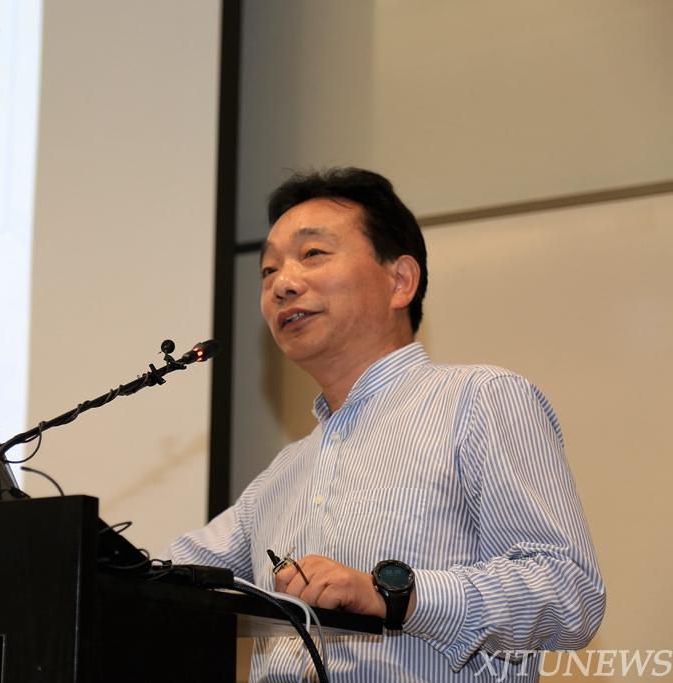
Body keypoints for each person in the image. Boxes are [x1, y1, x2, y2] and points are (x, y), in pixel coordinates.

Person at [167, 167, 605, 682]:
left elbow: (569, 592)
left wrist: (395, 595)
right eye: (268, 270)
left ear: (400, 281)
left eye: (313, 253)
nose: (282, 284)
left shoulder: (479, 400)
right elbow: (164, 579)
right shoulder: (282, 475)